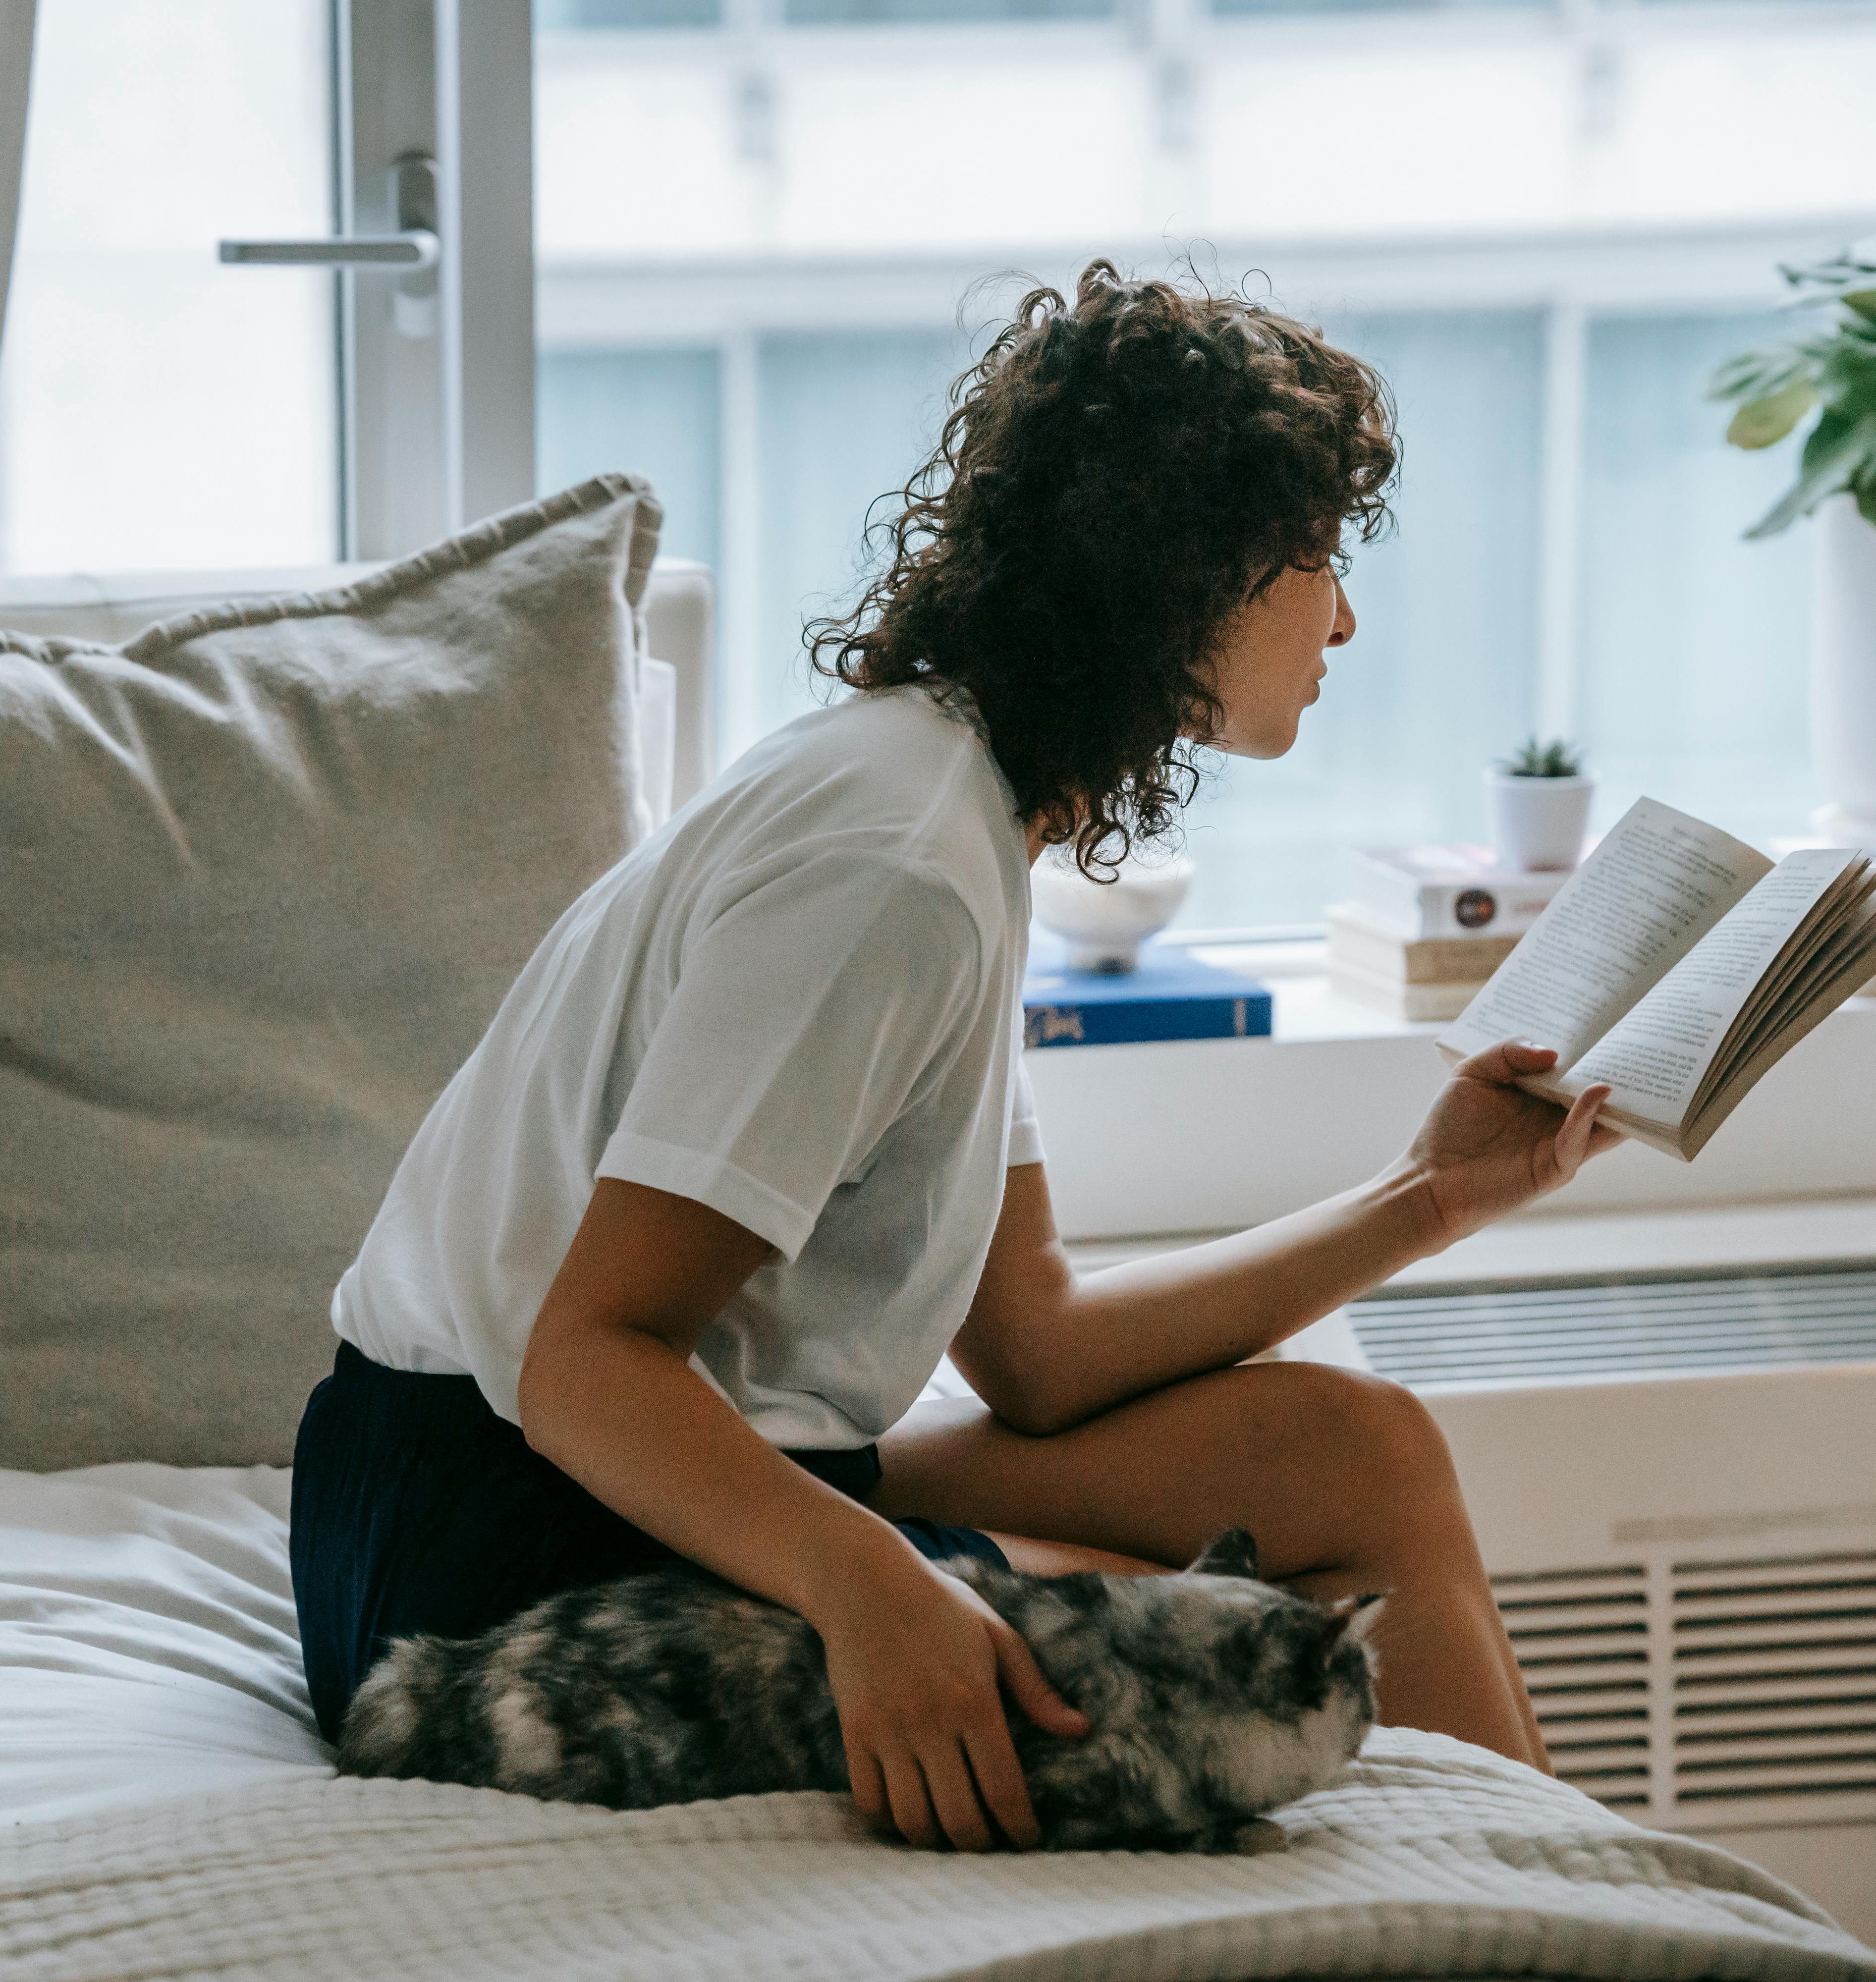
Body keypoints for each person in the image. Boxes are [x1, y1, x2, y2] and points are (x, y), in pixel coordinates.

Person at [290, 263, 1620, 1855]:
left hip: (570, 1463)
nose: (1340, 616)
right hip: (500, 1547)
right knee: (1276, 1580)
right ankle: (1562, 1909)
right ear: (1184, 575)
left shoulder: (953, 805)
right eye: (1315, 559)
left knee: (1354, 1445)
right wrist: (880, 1593)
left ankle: (1568, 1887)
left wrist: (1433, 1196)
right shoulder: (894, 866)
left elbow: (1038, 1351)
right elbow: (587, 1362)